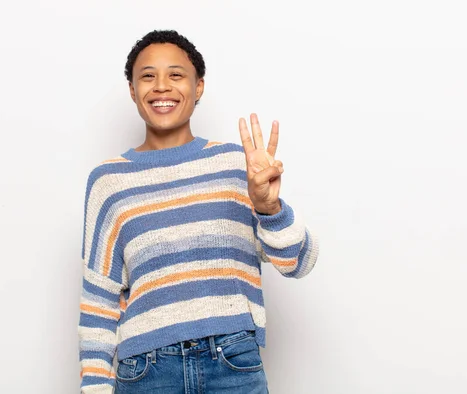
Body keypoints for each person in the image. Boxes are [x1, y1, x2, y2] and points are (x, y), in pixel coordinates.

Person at [78, 29, 319, 393]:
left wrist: (269, 208)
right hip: (146, 373)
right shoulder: (109, 182)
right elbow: (99, 300)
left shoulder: (239, 166)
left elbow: (300, 263)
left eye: (176, 75)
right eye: (147, 76)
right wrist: (94, 388)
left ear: (199, 86)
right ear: (132, 90)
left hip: (232, 364)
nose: (161, 86)